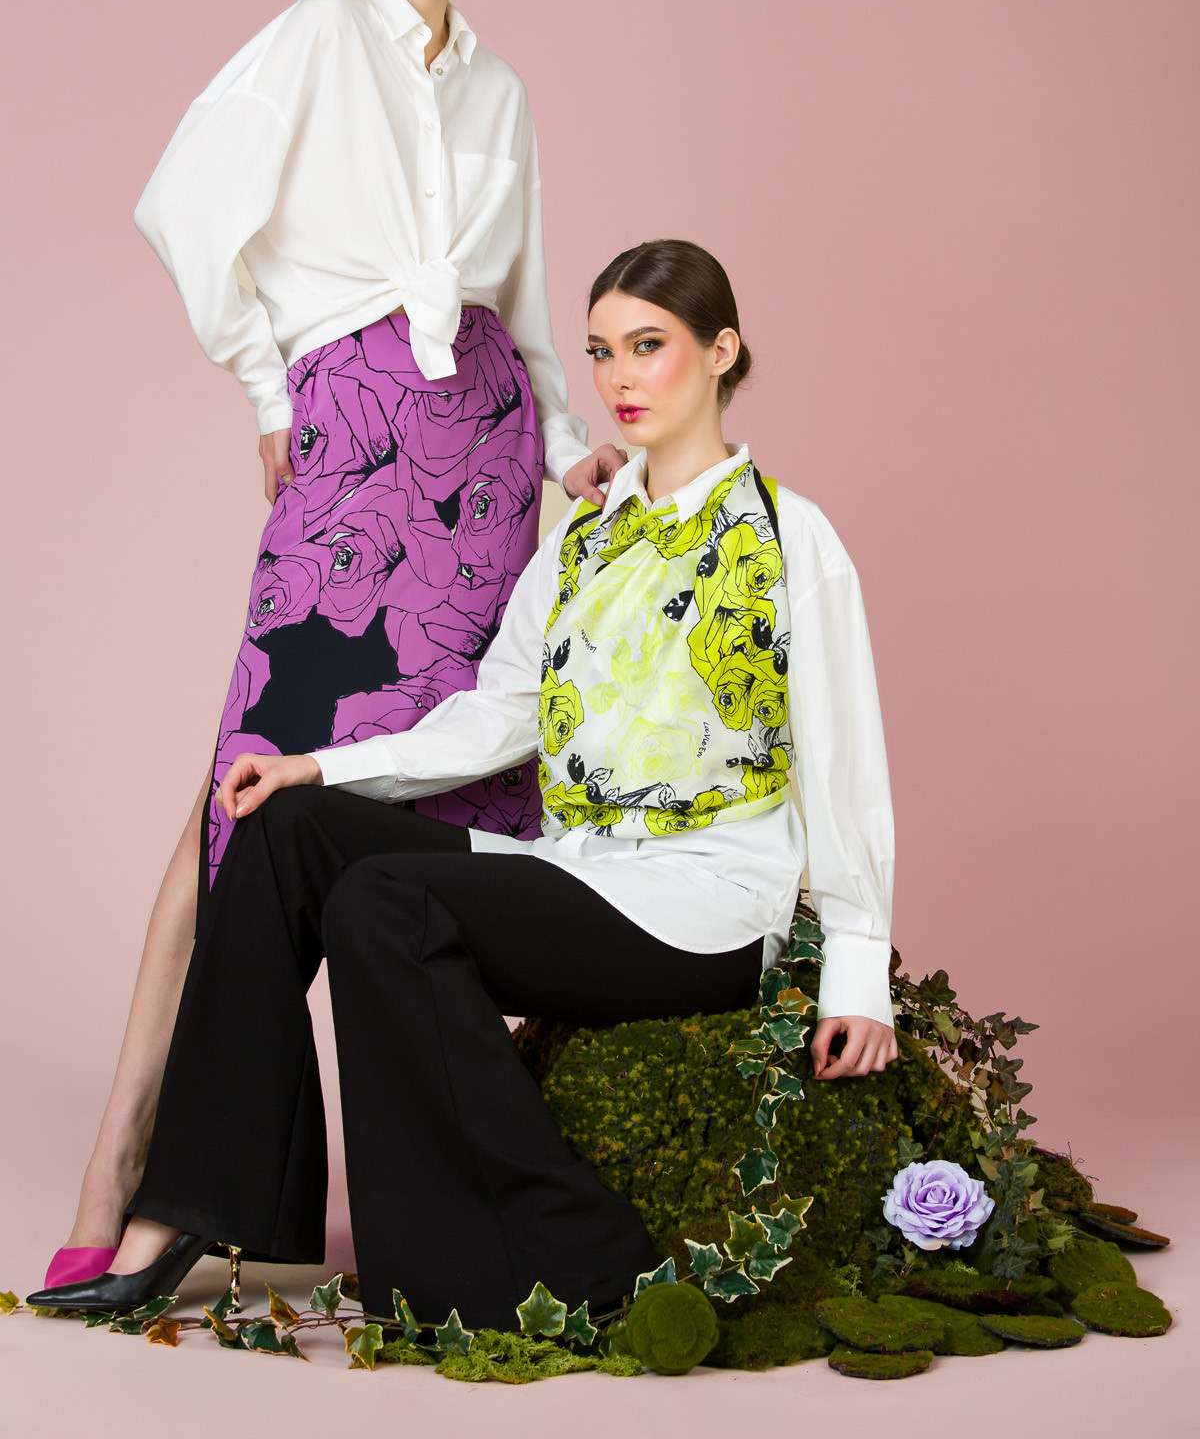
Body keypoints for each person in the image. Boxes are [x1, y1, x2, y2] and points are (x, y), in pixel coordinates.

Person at [32, 240, 896, 1328]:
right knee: (286, 828)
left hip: (705, 903)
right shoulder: (586, 537)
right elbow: (500, 714)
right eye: (600, 353)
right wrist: (317, 766)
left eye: (649, 346)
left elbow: (845, 752)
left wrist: (858, 969)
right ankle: (199, 1197)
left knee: (384, 904)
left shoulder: (788, 534)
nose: (619, 379)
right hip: (581, 871)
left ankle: (580, 1261)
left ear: (722, 352)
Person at [45, 0, 623, 1293]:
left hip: (488, 460)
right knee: (249, 794)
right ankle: (132, 1154)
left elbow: (525, 302)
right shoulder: (315, 35)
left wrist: (567, 445)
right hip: (357, 436)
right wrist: (269, 385)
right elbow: (183, 208)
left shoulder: (503, 90)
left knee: (459, 798)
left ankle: (478, 1179)